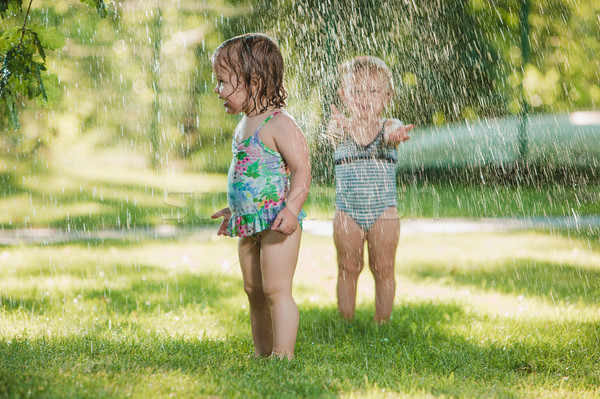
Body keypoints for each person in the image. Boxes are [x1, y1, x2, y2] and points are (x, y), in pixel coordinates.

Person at [210, 33, 311, 359]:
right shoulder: (244, 124)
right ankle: (262, 352)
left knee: (275, 289)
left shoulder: (279, 124)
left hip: (277, 222)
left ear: (253, 83)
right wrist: (235, 209)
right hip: (249, 221)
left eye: (223, 82)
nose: (217, 90)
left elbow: (302, 170)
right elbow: (250, 176)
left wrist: (293, 209)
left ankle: (283, 354)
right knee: (253, 290)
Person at [325, 56, 413, 322]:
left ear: (387, 96)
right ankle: (345, 320)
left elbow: (393, 132)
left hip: (383, 212)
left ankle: (382, 322)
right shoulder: (340, 128)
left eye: (374, 91)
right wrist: (336, 129)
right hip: (347, 212)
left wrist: (395, 136)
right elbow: (331, 134)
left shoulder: (388, 126)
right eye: (356, 91)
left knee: (383, 268)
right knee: (347, 268)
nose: (365, 97)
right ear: (344, 95)